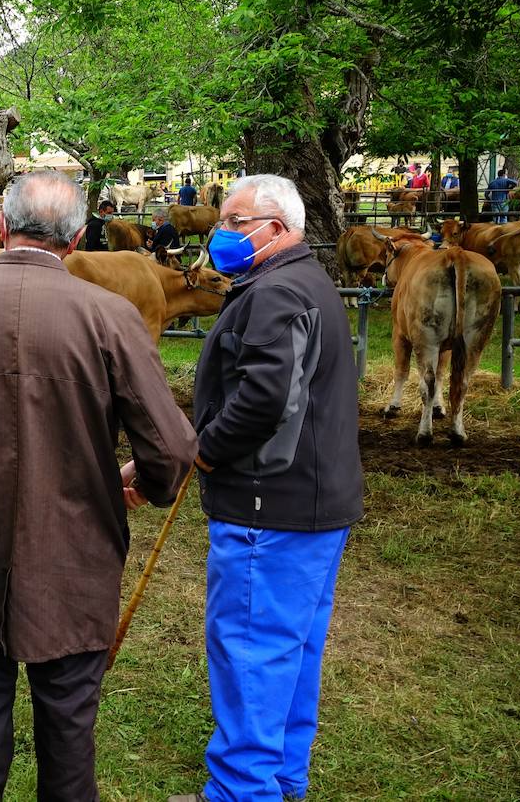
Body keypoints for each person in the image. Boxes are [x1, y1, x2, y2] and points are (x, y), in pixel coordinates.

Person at [0, 172, 197, 801]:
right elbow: (170, 449)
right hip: (75, 553)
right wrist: (148, 481)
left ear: (1, 227)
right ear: (79, 237)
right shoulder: (111, 318)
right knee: (68, 731)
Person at [169, 175, 364, 802]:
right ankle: (281, 781)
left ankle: (241, 792)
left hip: (269, 507)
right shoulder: (304, 282)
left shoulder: (277, 292)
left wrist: (204, 449)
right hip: (311, 503)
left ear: (274, 230)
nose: (219, 233)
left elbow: (265, 398)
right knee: (290, 652)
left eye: (233, 221)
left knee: (252, 653)